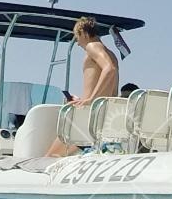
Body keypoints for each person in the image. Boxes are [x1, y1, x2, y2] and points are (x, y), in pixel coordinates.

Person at [47, 17, 119, 156]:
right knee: (59, 156)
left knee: (49, 157)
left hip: (87, 116)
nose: (78, 43)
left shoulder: (93, 46)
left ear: (84, 33)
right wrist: (82, 99)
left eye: (77, 37)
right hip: (101, 116)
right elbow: (110, 88)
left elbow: (109, 69)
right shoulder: (111, 54)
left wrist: (90, 99)